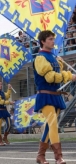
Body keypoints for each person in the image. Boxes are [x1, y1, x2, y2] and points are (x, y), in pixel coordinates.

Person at [33, 30, 76, 164]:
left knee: (48, 126)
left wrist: (60, 64)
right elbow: (51, 77)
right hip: (45, 95)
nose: (53, 41)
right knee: (52, 124)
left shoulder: (53, 57)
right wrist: (69, 76)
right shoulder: (40, 58)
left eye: (53, 39)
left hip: (55, 95)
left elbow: (57, 73)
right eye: (50, 39)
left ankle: (40, 156)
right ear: (43, 41)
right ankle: (58, 157)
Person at [0, 81, 14, 146]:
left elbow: (7, 96)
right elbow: (0, 101)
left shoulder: (2, 93)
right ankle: (0, 140)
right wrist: (9, 102)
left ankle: (5, 137)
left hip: (4, 111)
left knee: (9, 124)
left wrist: (9, 88)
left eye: (1, 84)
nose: (1, 85)